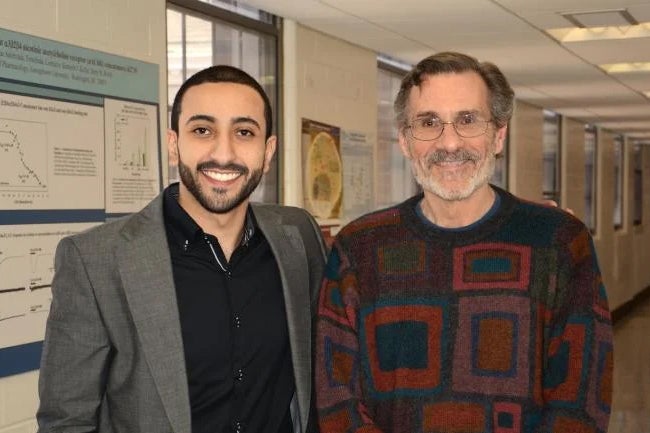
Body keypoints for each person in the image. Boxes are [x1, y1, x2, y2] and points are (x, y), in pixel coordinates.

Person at [314, 52, 612, 433]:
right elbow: (336, 397)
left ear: (499, 134)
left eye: (468, 120)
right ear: (405, 141)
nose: (450, 143)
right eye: (429, 122)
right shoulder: (359, 249)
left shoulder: (558, 242)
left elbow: (582, 399)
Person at [37, 65, 327, 433]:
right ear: (174, 145)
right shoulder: (96, 261)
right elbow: (66, 421)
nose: (223, 153)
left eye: (244, 132)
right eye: (202, 130)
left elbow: (323, 377)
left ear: (267, 151)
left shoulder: (298, 237)